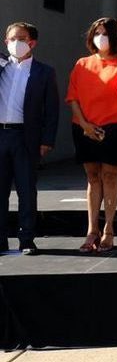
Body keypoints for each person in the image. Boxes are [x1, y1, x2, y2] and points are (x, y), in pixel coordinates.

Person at [66, 17, 117, 252]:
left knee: (110, 175)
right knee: (92, 177)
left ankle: (109, 229)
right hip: (85, 126)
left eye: (105, 33)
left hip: (116, 125)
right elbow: (73, 98)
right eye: (97, 33)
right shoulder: (82, 63)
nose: (101, 37)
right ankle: (92, 230)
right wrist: (85, 125)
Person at [0, 22, 59, 255]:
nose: (15, 43)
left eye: (21, 38)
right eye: (11, 39)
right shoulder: (1, 67)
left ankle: (26, 239)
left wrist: (47, 140)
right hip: (1, 134)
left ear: (32, 43)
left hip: (26, 137)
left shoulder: (44, 72)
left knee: (26, 190)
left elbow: (51, 109)